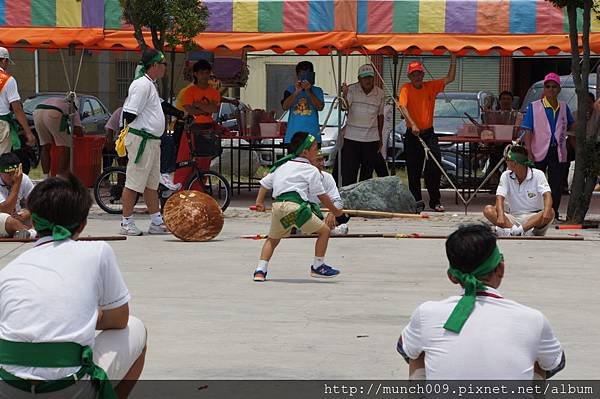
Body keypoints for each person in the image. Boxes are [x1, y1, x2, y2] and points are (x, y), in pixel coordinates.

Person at [0, 175, 147, 398]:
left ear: (34, 223)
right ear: (82, 224)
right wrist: (92, 316)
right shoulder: (97, 251)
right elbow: (119, 319)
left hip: (9, 387)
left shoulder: (10, 269)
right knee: (136, 328)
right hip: (68, 388)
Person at [397, 223, 565, 380]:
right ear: (500, 268)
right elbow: (554, 363)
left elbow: (406, 349)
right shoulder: (533, 319)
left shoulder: (426, 313)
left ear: (452, 277)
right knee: (539, 356)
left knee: (416, 351)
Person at [252, 132, 344, 282]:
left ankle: (260, 270)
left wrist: (259, 202)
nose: (317, 151)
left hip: (278, 207)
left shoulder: (282, 166)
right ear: (305, 152)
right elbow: (321, 195)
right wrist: (336, 212)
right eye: (315, 148)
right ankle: (318, 266)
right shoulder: (310, 170)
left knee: (272, 239)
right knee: (324, 231)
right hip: (295, 208)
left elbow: (264, 183)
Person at [120, 48, 169, 236]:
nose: (165, 68)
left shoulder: (151, 84)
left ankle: (156, 221)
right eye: (163, 64)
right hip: (142, 139)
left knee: (151, 184)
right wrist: (140, 130)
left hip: (152, 141)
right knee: (134, 183)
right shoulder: (142, 85)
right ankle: (126, 221)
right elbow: (129, 113)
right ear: (155, 65)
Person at [398, 55, 456, 212]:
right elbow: (403, 107)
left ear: (423, 75)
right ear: (410, 76)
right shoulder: (406, 88)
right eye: (414, 74)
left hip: (429, 133)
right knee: (413, 169)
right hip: (413, 134)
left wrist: (453, 58)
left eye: (419, 74)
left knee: (434, 165)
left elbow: (450, 78)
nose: (417, 77)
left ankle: (435, 201)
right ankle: (416, 201)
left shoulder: (430, 86)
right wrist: (413, 124)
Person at [521, 72, 574, 220]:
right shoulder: (534, 106)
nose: (551, 89)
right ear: (544, 89)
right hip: (538, 150)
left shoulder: (564, 107)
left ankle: (552, 212)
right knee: (535, 182)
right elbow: (528, 130)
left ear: (559, 89)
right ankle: (534, 211)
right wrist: (529, 151)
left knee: (556, 184)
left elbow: (571, 125)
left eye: (554, 86)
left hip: (558, 150)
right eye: (548, 86)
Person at [483, 145, 554, 236]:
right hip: (512, 217)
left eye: (507, 160)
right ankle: (515, 231)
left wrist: (547, 210)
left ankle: (516, 231)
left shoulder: (538, 174)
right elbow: (500, 197)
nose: (506, 162)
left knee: (550, 211)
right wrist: (501, 215)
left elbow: (547, 195)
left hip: (533, 217)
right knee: (488, 210)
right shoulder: (506, 175)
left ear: (514, 163)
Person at [337, 64, 388, 186]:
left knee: (367, 175)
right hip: (352, 138)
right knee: (349, 172)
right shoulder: (351, 89)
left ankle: (363, 202)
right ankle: (347, 201)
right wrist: (344, 94)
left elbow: (380, 116)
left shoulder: (380, 93)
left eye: (370, 77)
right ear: (359, 79)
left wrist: (380, 138)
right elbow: (345, 106)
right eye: (365, 78)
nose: (368, 80)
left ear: (374, 78)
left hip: (371, 139)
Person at [33, 94, 83, 177]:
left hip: (37, 111)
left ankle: (46, 178)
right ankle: (59, 178)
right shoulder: (72, 107)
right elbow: (79, 132)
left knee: (45, 146)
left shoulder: (58, 100)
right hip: (54, 112)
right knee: (66, 147)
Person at [0, 47, 36, 155]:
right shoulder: (8, 80)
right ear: (4, 60)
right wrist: (28, 133)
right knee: (2, 160)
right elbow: (17, 109)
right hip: (2, 124)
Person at [282, 61, 325, 145]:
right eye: (302, 75)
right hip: (293, 136)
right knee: (294, 158)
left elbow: (320, 107)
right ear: (297, 76)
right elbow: (285, 106)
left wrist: (309, 91)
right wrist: (297, 91)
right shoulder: (290, 90)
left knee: (313, 158)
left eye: (307, 75)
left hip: (313, 135)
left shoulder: (317, 90)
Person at [309, 152, 351, 235]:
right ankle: (329, 230)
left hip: (325, 212)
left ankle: (318, 228)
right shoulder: (303, 176)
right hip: (308, 211)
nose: (322, 163)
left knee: (344, 214)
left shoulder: (328, 177)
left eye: (323, 159)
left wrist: (332, 213)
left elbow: (338, 201)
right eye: (318, 160)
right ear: (310, 162)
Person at [0, 153, 36, 239]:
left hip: (18, 217)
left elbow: (37, 202)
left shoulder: (23, 178)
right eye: (9, 174)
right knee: (9, 219)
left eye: (15, 173)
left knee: (40, 213)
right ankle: (30, 233)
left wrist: (28, 213)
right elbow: (6, 210)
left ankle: (25, 232)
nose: (13, 177)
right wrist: (17, 184)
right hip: (4, 217)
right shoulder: (18, 179)